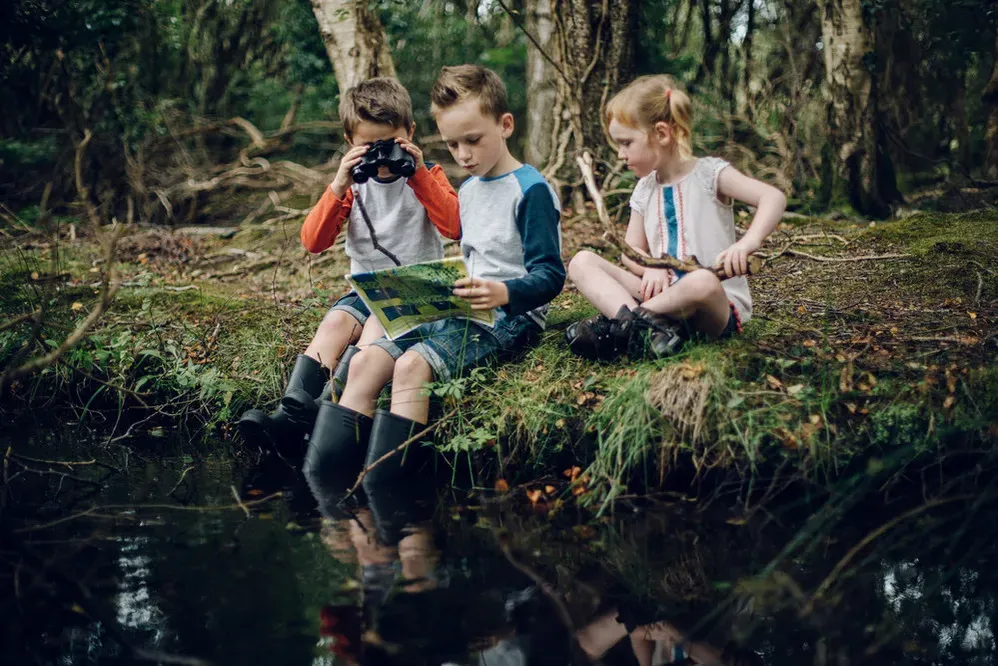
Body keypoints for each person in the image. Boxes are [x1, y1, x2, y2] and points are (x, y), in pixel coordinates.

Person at [303, 64, 564, 484]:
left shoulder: (530, 190)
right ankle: (324, 483)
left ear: (506, 125)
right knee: (367, 360)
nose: (463, 155)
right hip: (458, 300)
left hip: (507, 314)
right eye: (452, 144)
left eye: (473, 141)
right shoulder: (473, 187)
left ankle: (390, 492)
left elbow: (551, 276)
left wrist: (502, 293)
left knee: (411, 365)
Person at [238, 77, 461, 451]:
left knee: (374, 323)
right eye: (367, 148)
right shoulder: (354, 186)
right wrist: (339, 185)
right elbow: (313, 242)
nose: (381, 159)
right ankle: (289, 416)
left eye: (389, 145)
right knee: (336, 321)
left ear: (410, 132)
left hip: (416, 288)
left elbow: (454, 226)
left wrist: (418, 173)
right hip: (366, 290)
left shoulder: (429, 176)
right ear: (349, 144)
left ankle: (324, 412)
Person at [564, 75, 786, 361]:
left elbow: (773, 198)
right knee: (582, 261)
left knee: (702, 281)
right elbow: (630, 252)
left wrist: (747, 243)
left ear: (661, 134)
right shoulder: (645, 189)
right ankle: (643, 329)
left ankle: (621, 326)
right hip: (660, 302)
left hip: (710, 308)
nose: (621, 154)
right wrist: (649, 267)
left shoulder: (710, 174)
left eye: (626, 143)